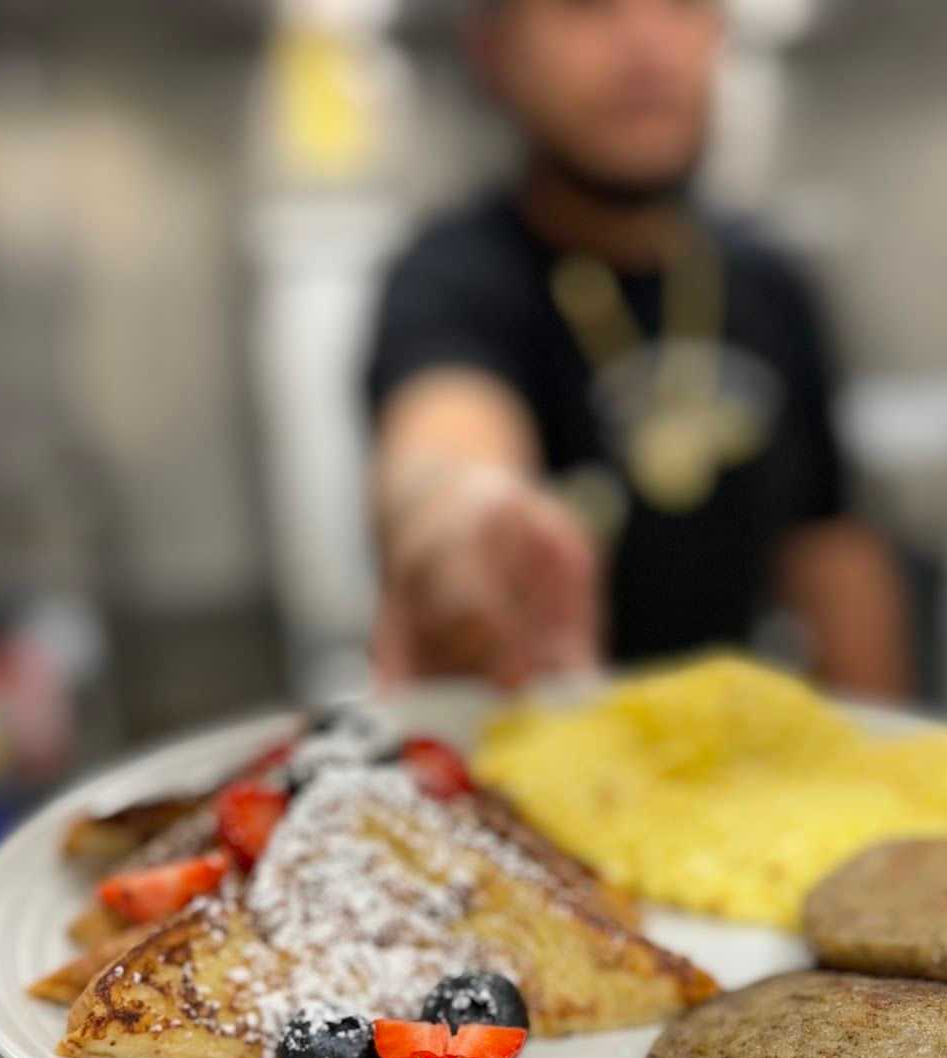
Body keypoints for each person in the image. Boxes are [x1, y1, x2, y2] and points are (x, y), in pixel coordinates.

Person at [366, 0, 913, 697]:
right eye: (587, 8)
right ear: (494, 50)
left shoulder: (772, 283)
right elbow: (444, 439)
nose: (647, 44)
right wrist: (460, 516)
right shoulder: (452, 276)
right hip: (525, 771)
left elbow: (836, 560)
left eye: (683, 5)